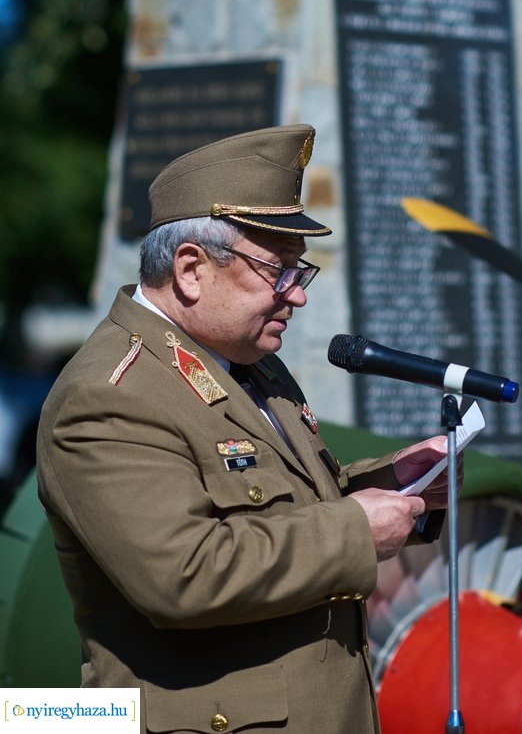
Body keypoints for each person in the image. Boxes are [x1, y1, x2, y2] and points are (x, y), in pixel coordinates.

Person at [37, 123, 461, 734]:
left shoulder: (250, 362)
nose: (297, 296)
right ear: (190, 269)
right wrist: (354, 532)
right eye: (278, 269)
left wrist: (397, 485)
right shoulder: (108, 397)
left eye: (300, 270)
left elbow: (285, 505)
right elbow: (184, 576)